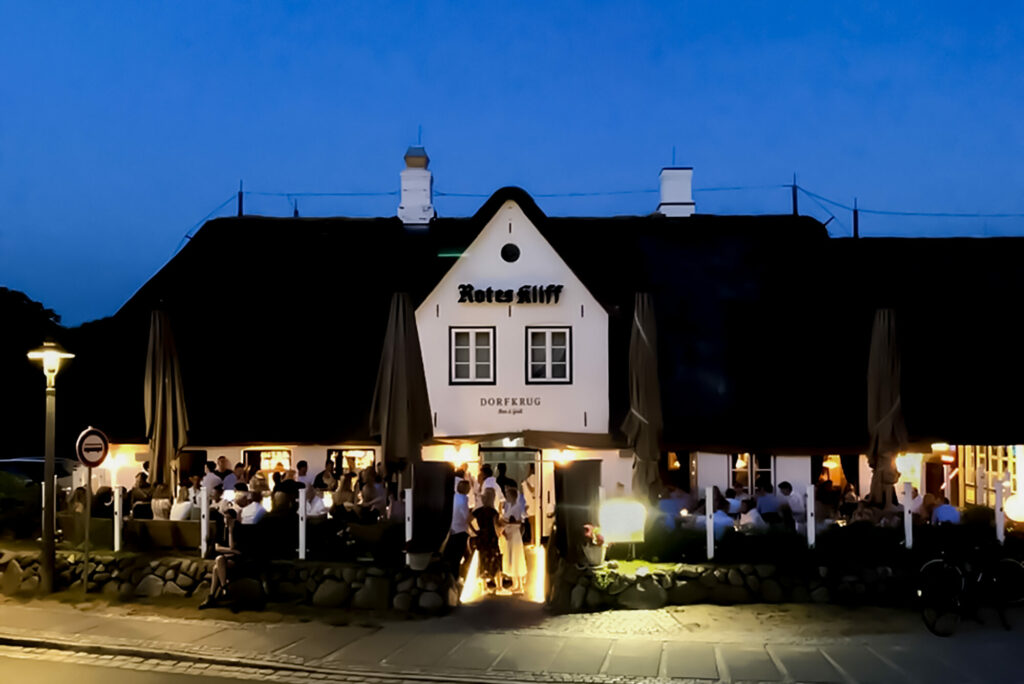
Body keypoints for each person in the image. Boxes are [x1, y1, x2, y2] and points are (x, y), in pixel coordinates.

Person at [199, 508, 241, 609]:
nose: (226, 520)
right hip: (224, 559)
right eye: (225, 518)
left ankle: (213, 595)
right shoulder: (221, 530)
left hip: (234, 560)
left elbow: (232, 547)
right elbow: (218, 548)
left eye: (229, 518)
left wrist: (230, 532)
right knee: (217, 565)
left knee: (218, 564)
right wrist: (232, 551)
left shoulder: (238, 530)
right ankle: (222, 588)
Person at [469, 489, 503, 593]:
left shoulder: (478, 511)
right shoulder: (493, 511)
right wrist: (500, 533)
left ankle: (484, 587)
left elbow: (468, 519)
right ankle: (499, 586)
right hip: (492, 537)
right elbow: (497, 525)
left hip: (482, 536)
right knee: (495, 559)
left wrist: (475, 530)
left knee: (483, 559)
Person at [501, 485, 528, 593]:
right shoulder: (509, 506)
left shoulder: (516, 507)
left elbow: (518, 521)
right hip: (509, 533)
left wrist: (507, 522)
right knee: (511, 557)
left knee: (516, 557)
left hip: (514, 533)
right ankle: (515, 583)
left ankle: (519, 585)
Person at [444, 480, 472, 576]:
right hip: (461, 531)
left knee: (452, 556)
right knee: (460, 556)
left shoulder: (454, 497)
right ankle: (458, 576)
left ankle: (452, 577)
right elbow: (466, 517)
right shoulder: (464, 500)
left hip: (452, 529)